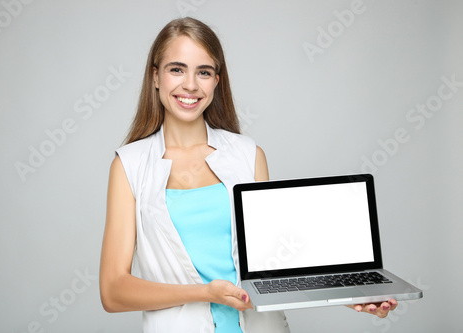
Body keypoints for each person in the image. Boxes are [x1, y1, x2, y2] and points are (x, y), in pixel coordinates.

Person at [99, 17, 397, 333]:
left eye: (204, 72)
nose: (190, 84)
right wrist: (204, 293)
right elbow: (113, 291)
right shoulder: (129, 165)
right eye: (177, 69)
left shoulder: (248, 155)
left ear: (217, 80)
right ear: (155, 76)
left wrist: (345, 294)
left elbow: (273, 267)